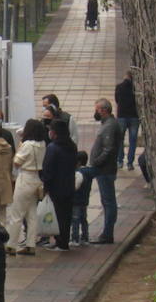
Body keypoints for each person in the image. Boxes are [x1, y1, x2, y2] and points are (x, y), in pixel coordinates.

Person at [87, 97, 124, 243]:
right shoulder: (107, 124)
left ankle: (107, 234)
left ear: (103, 110)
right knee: (107, 201)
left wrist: (97, 161)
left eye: (97, 109)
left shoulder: (109, 126)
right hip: (104, 169)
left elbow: (109, 148)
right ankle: (107, 233)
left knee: (108, 201)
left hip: (105, 170)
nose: (95, 112)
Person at [8, 118, 47, 255]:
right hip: (36, 178)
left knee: (17, 213)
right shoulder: (42, 144)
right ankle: (31, 244)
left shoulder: (27, 145)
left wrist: (20, 146)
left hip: (25, 177)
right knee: (32, 213)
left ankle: (11, 244)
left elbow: (17, 162)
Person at [39, 120, 79, 251]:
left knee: (58, 215)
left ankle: (60, 241)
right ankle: (64, 241)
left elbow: (48, 169)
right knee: (66, 215)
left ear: (54, 133)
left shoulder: (53, 148)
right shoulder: (72, 146)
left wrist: (46, 185)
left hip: (56, 187)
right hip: (69, 185)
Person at [115, 70, 139, 170]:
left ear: (125, 77)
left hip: (122, 115)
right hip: (134, 116)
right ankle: (130, 163)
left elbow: (117, 100)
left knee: (120, 139)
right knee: (132, 140)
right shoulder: (136, 88)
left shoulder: (119, 87)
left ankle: (120, 161)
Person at [72, 150, 94, 245]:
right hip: (85, 199)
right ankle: (85, 237)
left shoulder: (79, 173)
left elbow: (75, 186)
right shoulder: (89, 172)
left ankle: (75, 238)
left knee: (75, 219)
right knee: (84, 219)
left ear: (78, 162)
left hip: (76, 200)